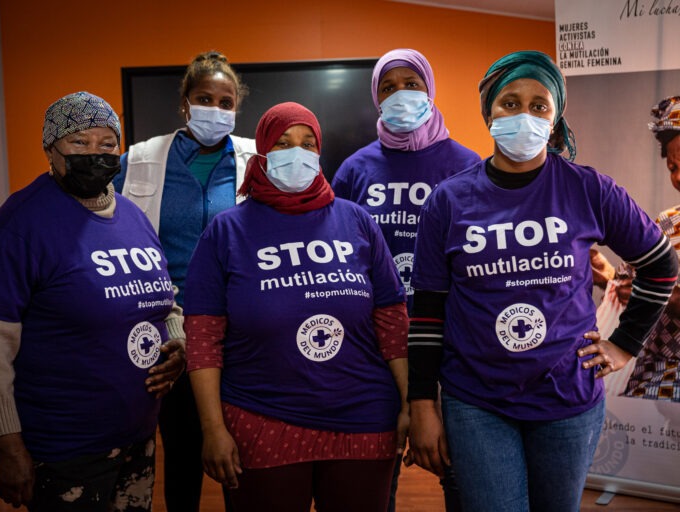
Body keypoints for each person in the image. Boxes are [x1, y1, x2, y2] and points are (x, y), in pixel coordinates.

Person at [405, 51, 678, 512]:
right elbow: (428, 311)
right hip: (477, 401)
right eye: (510, 103)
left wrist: (624, 345)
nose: (524, 116)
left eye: (539, 105)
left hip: (567, 397)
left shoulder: (588, 189)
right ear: (488, 111)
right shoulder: (448, 202)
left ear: (555, 120)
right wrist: (421, 404)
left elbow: (660, 265)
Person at [0, 91, 186, 511]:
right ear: (50, 149)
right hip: (65, 450)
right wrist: (6, 446)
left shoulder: (133, 217)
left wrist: (178, 343)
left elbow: (164, 299)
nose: (94, 154)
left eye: (106, 144)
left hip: (137, 437)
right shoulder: (18, 226)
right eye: (79, 143)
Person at [183, 101, 409, 512]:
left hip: (362, 417)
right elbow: (202, 339)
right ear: (264, 153)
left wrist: (412, 403)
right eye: (284, 143)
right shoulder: (227, 231)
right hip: (260, 418)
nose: (297, 153)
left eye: (308, 143)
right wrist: (212, 428)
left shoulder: (356, 221)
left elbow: (392, 324)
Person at [331, 48, 480, 512]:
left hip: (452, 339)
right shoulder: (355, 168)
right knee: (377, 478)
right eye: (388, 87)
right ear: (375, 97)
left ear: (430, 90)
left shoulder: (466, 162)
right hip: (374, 341)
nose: (400, 95)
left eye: (411, 84)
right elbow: (337, 247)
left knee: (459, 474)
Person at [113, 50, 255, 512]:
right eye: (204, 98)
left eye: (226, 101)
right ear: (185, 103)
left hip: (241, 329)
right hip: (166, 330)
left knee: (244, 450)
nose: (215, 109)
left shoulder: (261, 159)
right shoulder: (137, 160)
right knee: (182, 449)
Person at [616, 94, 680, 402]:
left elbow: (657, 291)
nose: (678, 177)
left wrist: (662, 296)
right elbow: (633, 282)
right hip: (655, 380)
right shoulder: (668, 223)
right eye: (672, 167)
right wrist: (607, 278)